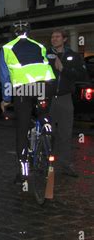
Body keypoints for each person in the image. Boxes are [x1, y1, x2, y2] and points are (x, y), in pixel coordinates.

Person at [0, 21, 56, 185]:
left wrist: (6, 99)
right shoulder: (40, 45)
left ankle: (24, 171)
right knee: (43, 112)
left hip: (24, 89)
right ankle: (46, 124)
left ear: (13, 33)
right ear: (28, 33)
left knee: (22, 129)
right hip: (46, 85)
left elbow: (5, 78)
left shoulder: (6, 48)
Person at [46, 29, 88, 178]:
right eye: (52, 37)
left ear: (64, 39)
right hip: (48, 98)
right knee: (48, 132)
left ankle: (65, 164)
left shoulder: (72, 56)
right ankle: (46, 163)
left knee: (65, 133)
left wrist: (64, 69)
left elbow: (82, 74)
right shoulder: (45, 55)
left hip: (65, 98)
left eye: (57, 37)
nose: (54, 39)